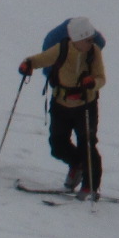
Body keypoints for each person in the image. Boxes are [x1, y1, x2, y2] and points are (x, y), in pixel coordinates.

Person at [19, 16, 106, 196]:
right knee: (57, 145)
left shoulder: (94, 52)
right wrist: (28, 64)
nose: (91, 43)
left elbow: (101, 78)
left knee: (87, 144)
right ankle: (77, 164)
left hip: (85, 105)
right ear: (76, 39)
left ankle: (90, 186)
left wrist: (92, 83)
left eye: (91, 39)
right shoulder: (62, 48)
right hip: (60, 104)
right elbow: (43, 59)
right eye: (87, 40)